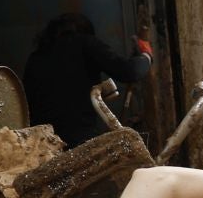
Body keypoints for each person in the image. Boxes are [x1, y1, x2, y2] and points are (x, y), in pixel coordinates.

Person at [23, 12, 153, 148]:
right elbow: (130, 71)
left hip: (43, 146)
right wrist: (146, 55)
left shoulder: (35, 59)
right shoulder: (84, 43)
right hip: (79, 144)